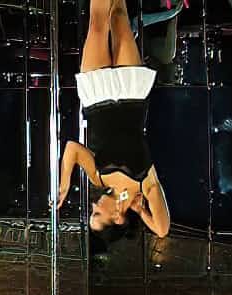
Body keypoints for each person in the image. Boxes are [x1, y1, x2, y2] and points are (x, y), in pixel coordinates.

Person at [58, 0, 170, 238]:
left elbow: (72, 149)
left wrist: (64, 183)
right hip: (131, 93)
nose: (94, 206)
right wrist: (141, 211)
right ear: (117, 218)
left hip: (97, 95)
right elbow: (162, 230)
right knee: (119, 16)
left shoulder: (97, 178)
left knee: (97, 25)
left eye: (92, 212)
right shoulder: (145, 184)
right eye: (98, 214)